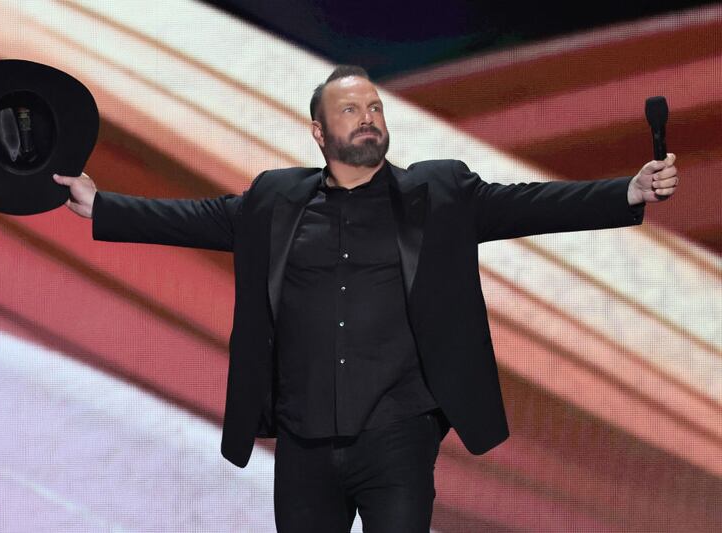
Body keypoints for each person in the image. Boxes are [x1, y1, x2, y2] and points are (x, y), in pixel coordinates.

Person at [53, 65, 678, 532]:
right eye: (351, 111)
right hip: (304, 441)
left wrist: (627, 191)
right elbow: (199, 218)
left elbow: (528, 205)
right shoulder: (276, 200)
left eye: (376, 107)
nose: (369, 118)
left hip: (397, 434)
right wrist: (100, 205)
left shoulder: (440, 192)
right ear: (319, 131)